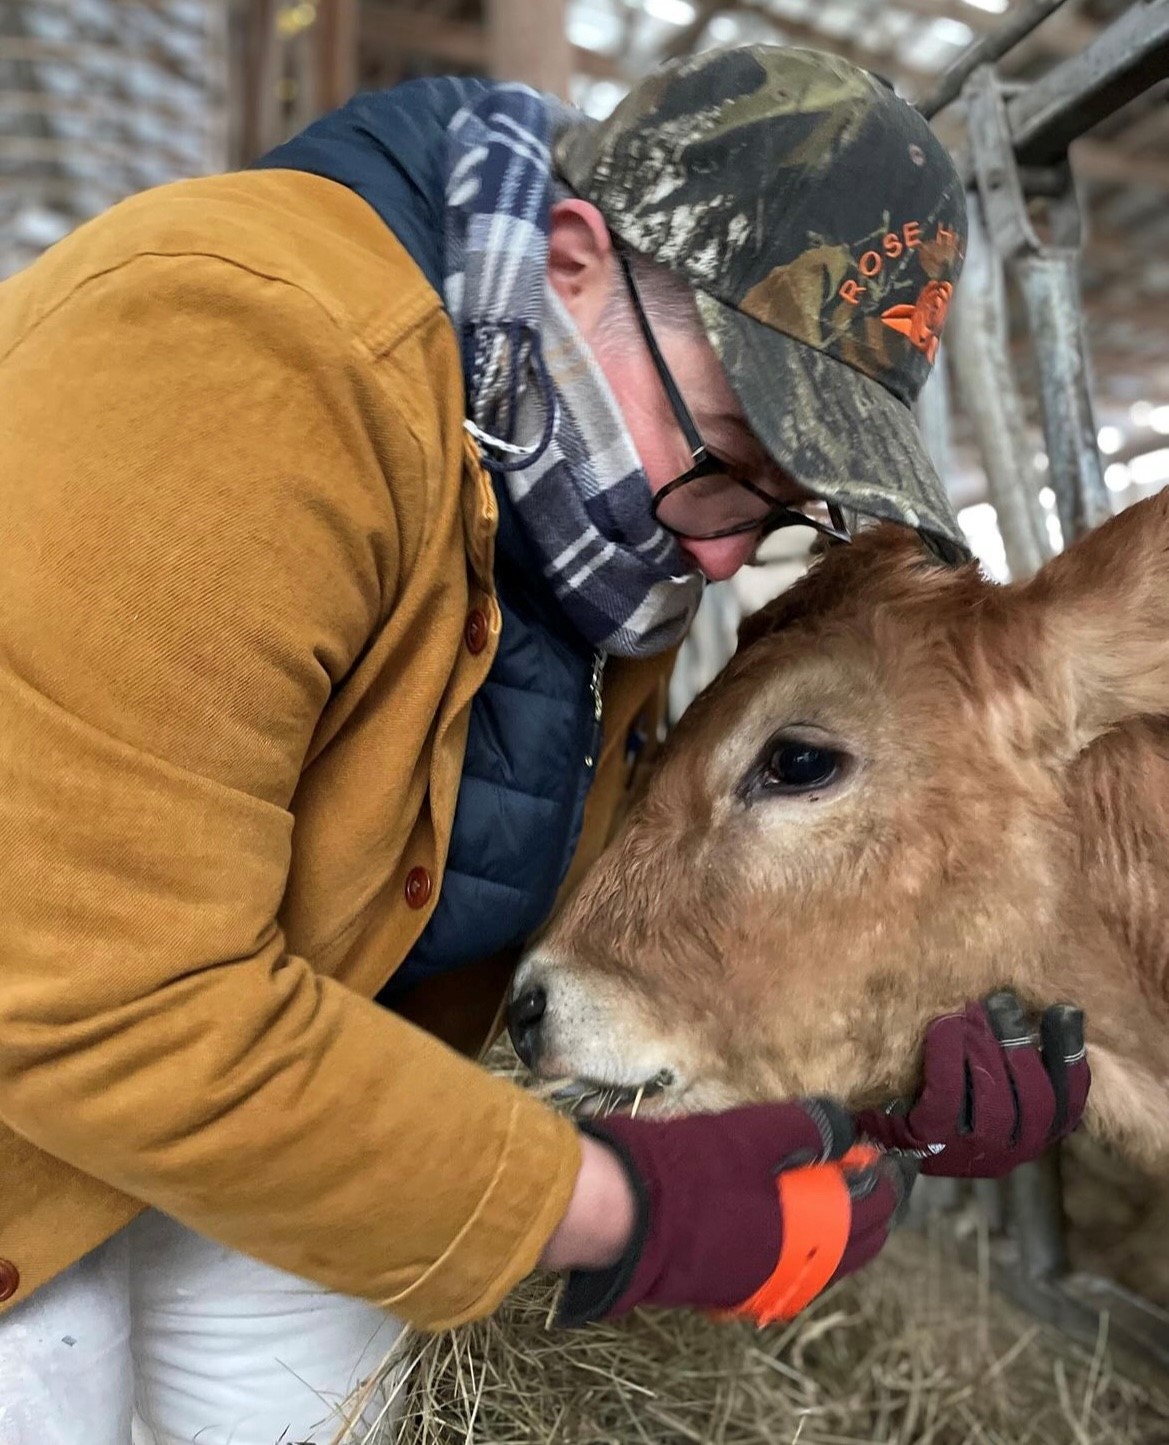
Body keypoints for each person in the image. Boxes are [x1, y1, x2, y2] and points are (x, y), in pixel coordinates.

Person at [0, 43, 1089, 1445]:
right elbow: (95, 993)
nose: (724, 540)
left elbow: (517, 897)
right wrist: (614, 1208)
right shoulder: (240, 350)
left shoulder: (592, 523)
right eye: (735, 438)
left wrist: (866, 1052)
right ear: (577, 259)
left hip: (267, 1102)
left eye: (786, 495)